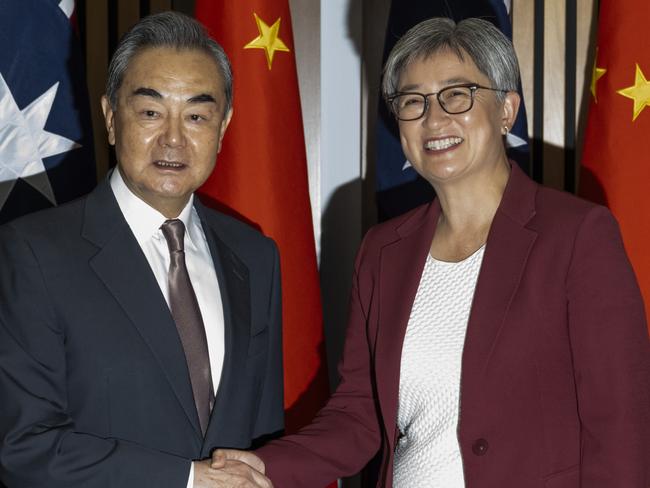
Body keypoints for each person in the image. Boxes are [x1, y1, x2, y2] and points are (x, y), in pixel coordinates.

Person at [213, 17, 650, 487]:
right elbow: (359, 414)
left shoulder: (578, 236)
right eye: (412, 102)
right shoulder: (383, 251)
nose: (433, 119)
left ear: (507, 109)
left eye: (457, 95)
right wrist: (266, 468)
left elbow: (620, 426)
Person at [0, 12, 281, 488]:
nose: (173, 138)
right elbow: (24, 446)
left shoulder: (255, 255)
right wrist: (188, 478)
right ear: (111, 118)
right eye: (150, 112)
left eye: (196, 116)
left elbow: (263, 433)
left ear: (224, 125)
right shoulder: (32, 253)